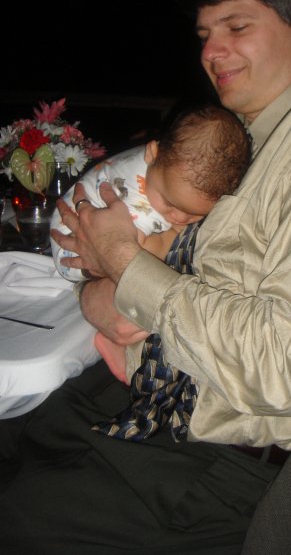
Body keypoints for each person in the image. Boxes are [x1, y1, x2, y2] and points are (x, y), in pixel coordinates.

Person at [0, 0, 291, 552]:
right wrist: (103, 283)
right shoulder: (234, 145)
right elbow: (133, 280)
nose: (212, 52)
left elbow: (288, 368)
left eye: (237, 26)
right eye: (204, 35)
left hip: (207, 464)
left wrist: (121, 263)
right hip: (145, 408)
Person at [50, 104, 251, 383]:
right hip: (72, 248)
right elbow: (134, 260)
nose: (179, 217)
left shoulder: (165, 168)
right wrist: (171, 235)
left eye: (193, 214)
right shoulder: (135, 197)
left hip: (87, 230)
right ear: (152, 153)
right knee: (149, 276)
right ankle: (115, 343)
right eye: (169, 204)